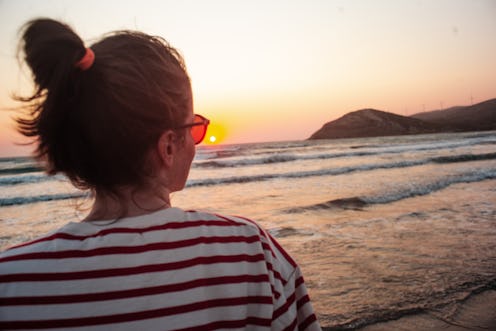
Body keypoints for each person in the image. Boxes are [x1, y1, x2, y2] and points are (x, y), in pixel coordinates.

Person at [0, 18, 321, 330]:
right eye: (194, 128)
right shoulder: (252, 254)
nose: (196, 144)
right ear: (168, 146)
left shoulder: (11, 283)